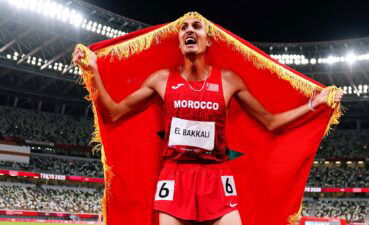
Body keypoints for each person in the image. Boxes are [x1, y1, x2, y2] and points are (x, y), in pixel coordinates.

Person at [73, 16, 343, 225]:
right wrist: (93, 71)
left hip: (217, 175)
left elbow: (271, 122)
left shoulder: (228, 80)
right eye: (184, 28)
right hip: (175, 174)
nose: (190, 30)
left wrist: (314, 103)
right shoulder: (162, 79)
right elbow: (113, 113)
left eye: (197, 26)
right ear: (179, 41)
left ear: (208, 40)